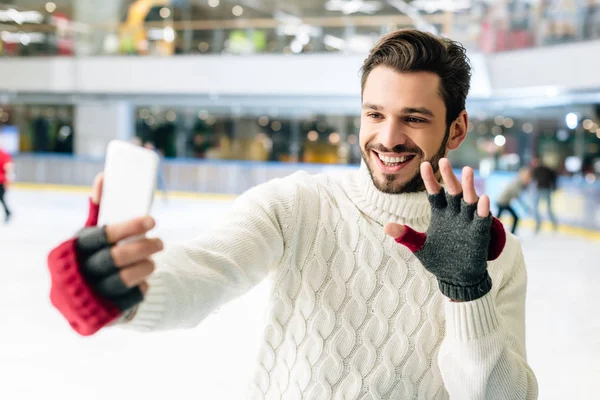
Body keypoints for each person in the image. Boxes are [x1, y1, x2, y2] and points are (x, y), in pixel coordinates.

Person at [46, 30, 538, 399]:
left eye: (413, 118)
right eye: (374, 114)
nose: (387, 137)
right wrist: (120, 289)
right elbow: (205, 270)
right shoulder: (298, 205)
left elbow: (501, 394)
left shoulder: (493, 252)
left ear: (456, 129)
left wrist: (465, 290)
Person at [495, 168, 531, 234]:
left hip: (504, 202)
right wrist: (524, 206)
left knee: (499, 218)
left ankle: (510, 232)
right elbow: (516, 195)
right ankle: (510, 233)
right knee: (514, 217)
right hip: (502, 202)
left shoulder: (518, 181)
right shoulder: (518, 182)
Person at [530, 157, 558, 233]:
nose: (534, 164)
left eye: (535, 162)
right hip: (539, 190)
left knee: (548, 209)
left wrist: (554, 186)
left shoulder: (547, 169)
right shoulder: (535, 170)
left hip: (547, 190)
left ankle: (554, 224)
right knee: (535, 208)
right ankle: (538, 224)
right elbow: (533, 180)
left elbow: (554, 177)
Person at [0, 144, 13, 222]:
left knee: (1, 197)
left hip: (1, 182)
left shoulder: (4, 155)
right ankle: (8, 212)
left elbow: (8, 168)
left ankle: (8, 212)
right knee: (1, 198)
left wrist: (8, 181)